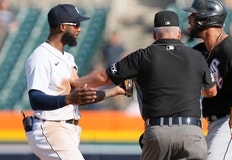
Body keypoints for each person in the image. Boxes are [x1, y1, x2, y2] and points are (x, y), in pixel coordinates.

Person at [71, 10, 217, 159]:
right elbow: (211, 92)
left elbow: (103, 77)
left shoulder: (141, 56)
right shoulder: (197, 57)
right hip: (191, 132)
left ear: (154, 34)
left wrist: (75, 82)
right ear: (178, 33)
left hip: (158, 131)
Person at [25, 4, 125, 160]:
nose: (80, 29)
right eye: (76, 24)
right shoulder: (40, 57)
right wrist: (68, 99)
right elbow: (35, 99)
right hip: (50, 127)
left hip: (68, 129)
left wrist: (114, 91)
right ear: (63, 26)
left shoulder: (68, 58)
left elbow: (79, 96)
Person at [183, 0, 232, 160]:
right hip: (216, 125)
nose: (189, 19)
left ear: (204, 19)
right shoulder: (200, 51)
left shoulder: (231, 49)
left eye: (193, 15)